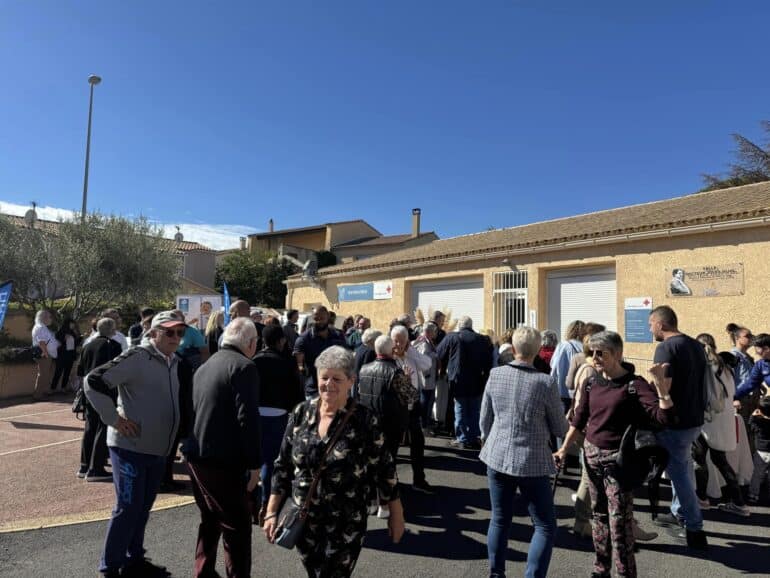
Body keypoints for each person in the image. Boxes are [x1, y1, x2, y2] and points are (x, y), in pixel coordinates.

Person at [263, 346, 404, 577]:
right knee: (315, 572)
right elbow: (283, 465)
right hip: (305, 518)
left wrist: (396, 515)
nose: (329, 384)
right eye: (324, 377)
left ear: (351, 381)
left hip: (346, 520)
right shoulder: (302, 412)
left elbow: (384, 468)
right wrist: (271, 512)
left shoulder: (365, 419)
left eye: (337, 379)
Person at [555, 331, 676, 578]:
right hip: (591, 457)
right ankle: (601, 568)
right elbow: (579, 419)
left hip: (617, 462)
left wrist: (663, 391)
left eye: (603, 353)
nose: (596, 358)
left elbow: (662, 418)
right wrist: (564, 448)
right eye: (593, 353)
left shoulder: (634, 384)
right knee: (598, 516)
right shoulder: (591, 382)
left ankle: (624, 572)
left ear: (618, 354)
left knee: (619, 522)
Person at [84, 310, 188, 578]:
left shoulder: (174, 361)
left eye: (180, 332)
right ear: (153, 333)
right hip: (130, 447)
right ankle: (110, 568)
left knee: (142, 507)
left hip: (158, 449)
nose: (176, 337)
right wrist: (113, 419)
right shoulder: (138, 356)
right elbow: (92, 381)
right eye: (170, 332)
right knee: (128, 508)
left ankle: (134, 560)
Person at [481, 326, 568, 578]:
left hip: (497, 455)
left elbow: (484, 421)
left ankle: (496, 574)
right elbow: (559, 426)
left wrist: (492, 440)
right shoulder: (545, 382)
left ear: (514, 348)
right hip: (533, 460)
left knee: (499, 519)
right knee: (544, 525)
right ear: (539, 350)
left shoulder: (495, 374)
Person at [184, 317, 261, 578]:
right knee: (237, 526)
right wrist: (254, 464)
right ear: (251, 343)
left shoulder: (206, 366)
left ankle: (203, 570)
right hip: (223, 460)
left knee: (210, 518)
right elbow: (247, 418)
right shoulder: (244, 367)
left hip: (196, 454)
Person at [647, 305, 708, 549]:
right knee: (683, 468)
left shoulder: (665, 347)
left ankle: (694, 527)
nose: (650, 328)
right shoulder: (695, 345)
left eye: (651, 324)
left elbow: (665, 387)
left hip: (675, 421)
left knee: (680, 474)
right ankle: (679, 512)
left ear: (661, 324)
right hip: (694, 418)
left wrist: (650, 388)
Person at [692, 333, 749, 517]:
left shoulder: (704, 366)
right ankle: (739, 503)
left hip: (707, 419)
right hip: (724, 418)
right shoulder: (725, 367)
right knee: (721, 461)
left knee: (699, 459)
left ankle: (702, 498)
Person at [252, 324, 303, 525]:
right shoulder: (286, 361)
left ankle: (252, 500)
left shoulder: (255, 360)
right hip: (279, 414)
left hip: (256, 413)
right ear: (281, 340)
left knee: (255, 458)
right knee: (271, 462)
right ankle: (266, 501)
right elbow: (296, 390)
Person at [436, 316, 493, 450]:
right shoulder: (481, 339)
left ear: (460, 326)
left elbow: (439, 353)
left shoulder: (452, 337)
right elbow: (488, 360)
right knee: (475, 409)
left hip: (458, 379)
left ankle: (462, 438)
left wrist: (443, 369)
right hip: (477, 378)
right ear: (471, 325)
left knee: (460, 407)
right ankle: (474, 437)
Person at [76, 317, 123, 481]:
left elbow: (80, 371)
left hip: (88, 391)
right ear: (111, 329)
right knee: (104, 426)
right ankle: (96, 468)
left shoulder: (87, 346)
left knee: (90, 427)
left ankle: (84, 465)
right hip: (105, 391)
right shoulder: (114, 346)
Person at [392, 324, 435, 494]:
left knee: (418, 443)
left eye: (402, 342)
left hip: (413, 406)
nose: (399, 345)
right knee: (393, 447)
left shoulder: (410, 355)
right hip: (397, 407)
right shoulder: (390, 358)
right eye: (396, 341)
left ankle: (419, 479)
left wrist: (411, 351)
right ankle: (392, 483)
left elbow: (427, 364)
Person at [293, 306, 346, 399]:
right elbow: (299, 365)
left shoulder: (338, 336)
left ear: (328, 317)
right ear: (312, 318)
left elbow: (346, 358)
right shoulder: (304, 339)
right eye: (316, 318)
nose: (319, 321)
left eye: (322, 318)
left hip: (336, 388)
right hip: (314, 390)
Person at [726, 323, 758, 444]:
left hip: (752, 400)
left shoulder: (747, 357)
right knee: (742, 432)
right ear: (737, 338)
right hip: (742, 400)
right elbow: (729, 379)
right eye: (747, 336)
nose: (751, 338)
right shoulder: (733, 356)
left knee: (751, 430)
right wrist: (733, 399)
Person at [550, 320, 586, 413]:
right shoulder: (584, 347)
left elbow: (553, 366)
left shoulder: (563, 345)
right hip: (578, 391)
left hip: (561, 391)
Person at [413, 322, 439, 432]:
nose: (436, 333)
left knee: (427, 400)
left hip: (428, 376)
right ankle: (424, 426)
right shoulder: (423, 343)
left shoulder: (425, 341)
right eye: (434, 331)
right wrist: (435, 355)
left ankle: (425, 424)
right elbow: (423, 358)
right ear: (429, 332)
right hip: (426, 377)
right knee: (425, 402)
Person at [31, 309, 59, 400]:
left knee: (45, 374)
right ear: (44, 318)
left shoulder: (42, 327)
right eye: (49, 317)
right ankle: (38, 395)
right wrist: (46, 354)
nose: (51, 319)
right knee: (43, 375)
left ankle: (43, 392)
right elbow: (41, 342)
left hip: (46, 355)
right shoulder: (40, 327)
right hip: (44, 355)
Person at [748, 397, 770, 504]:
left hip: (761, 452)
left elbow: (750, 424)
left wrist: (753, 415)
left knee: (757, 473)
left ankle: (753, 495)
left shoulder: (759, 422)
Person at [52, 317, 80, 392]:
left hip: (70, 355)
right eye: (71, 324)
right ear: (67, 324)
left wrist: (80, 338)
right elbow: (58, 342)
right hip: (61, 355)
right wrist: (64, 338)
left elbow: (76, 343)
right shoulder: (60, 332)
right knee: (58, 372)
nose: (73, 326)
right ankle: (52, 388)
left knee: (67, 373)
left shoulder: (72, 332)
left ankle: (63, 388)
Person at [353, 328, 380, 397]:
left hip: (356, 384)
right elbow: (367, 372)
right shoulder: (370, 351)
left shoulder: (360, 348)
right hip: (363, 388)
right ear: (371, 340)